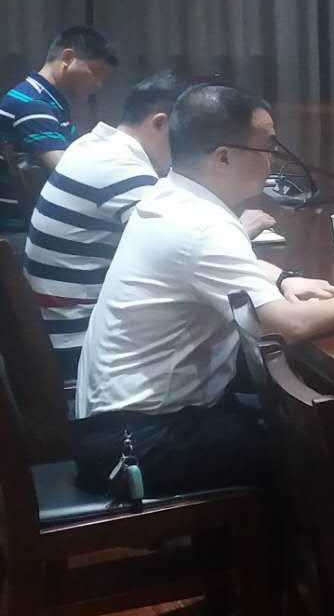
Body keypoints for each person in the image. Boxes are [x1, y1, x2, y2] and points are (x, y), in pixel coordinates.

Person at [71, 85, 334, 497]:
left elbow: (209, 267)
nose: (272, 159)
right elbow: (286, 325)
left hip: (116, 424)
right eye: (266, 147)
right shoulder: (203, 225)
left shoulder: (172, 196)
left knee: (300, 422)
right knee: (330, 450)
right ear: (223, 157)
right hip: (137, 442)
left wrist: (282, 279)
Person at [23, 73, 277, 390]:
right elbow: (188, 248)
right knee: (263, 348)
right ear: (162, 123)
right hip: (84, 348)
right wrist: (239, 230)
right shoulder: (122, 170)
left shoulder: (95, 145)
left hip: (66, 328)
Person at [1, 26, 119, 242]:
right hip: (15, 233)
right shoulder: (33, 104)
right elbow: (66, 170)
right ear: (67, 58)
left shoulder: (44, 99)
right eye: (96, 71)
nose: (99, 84)